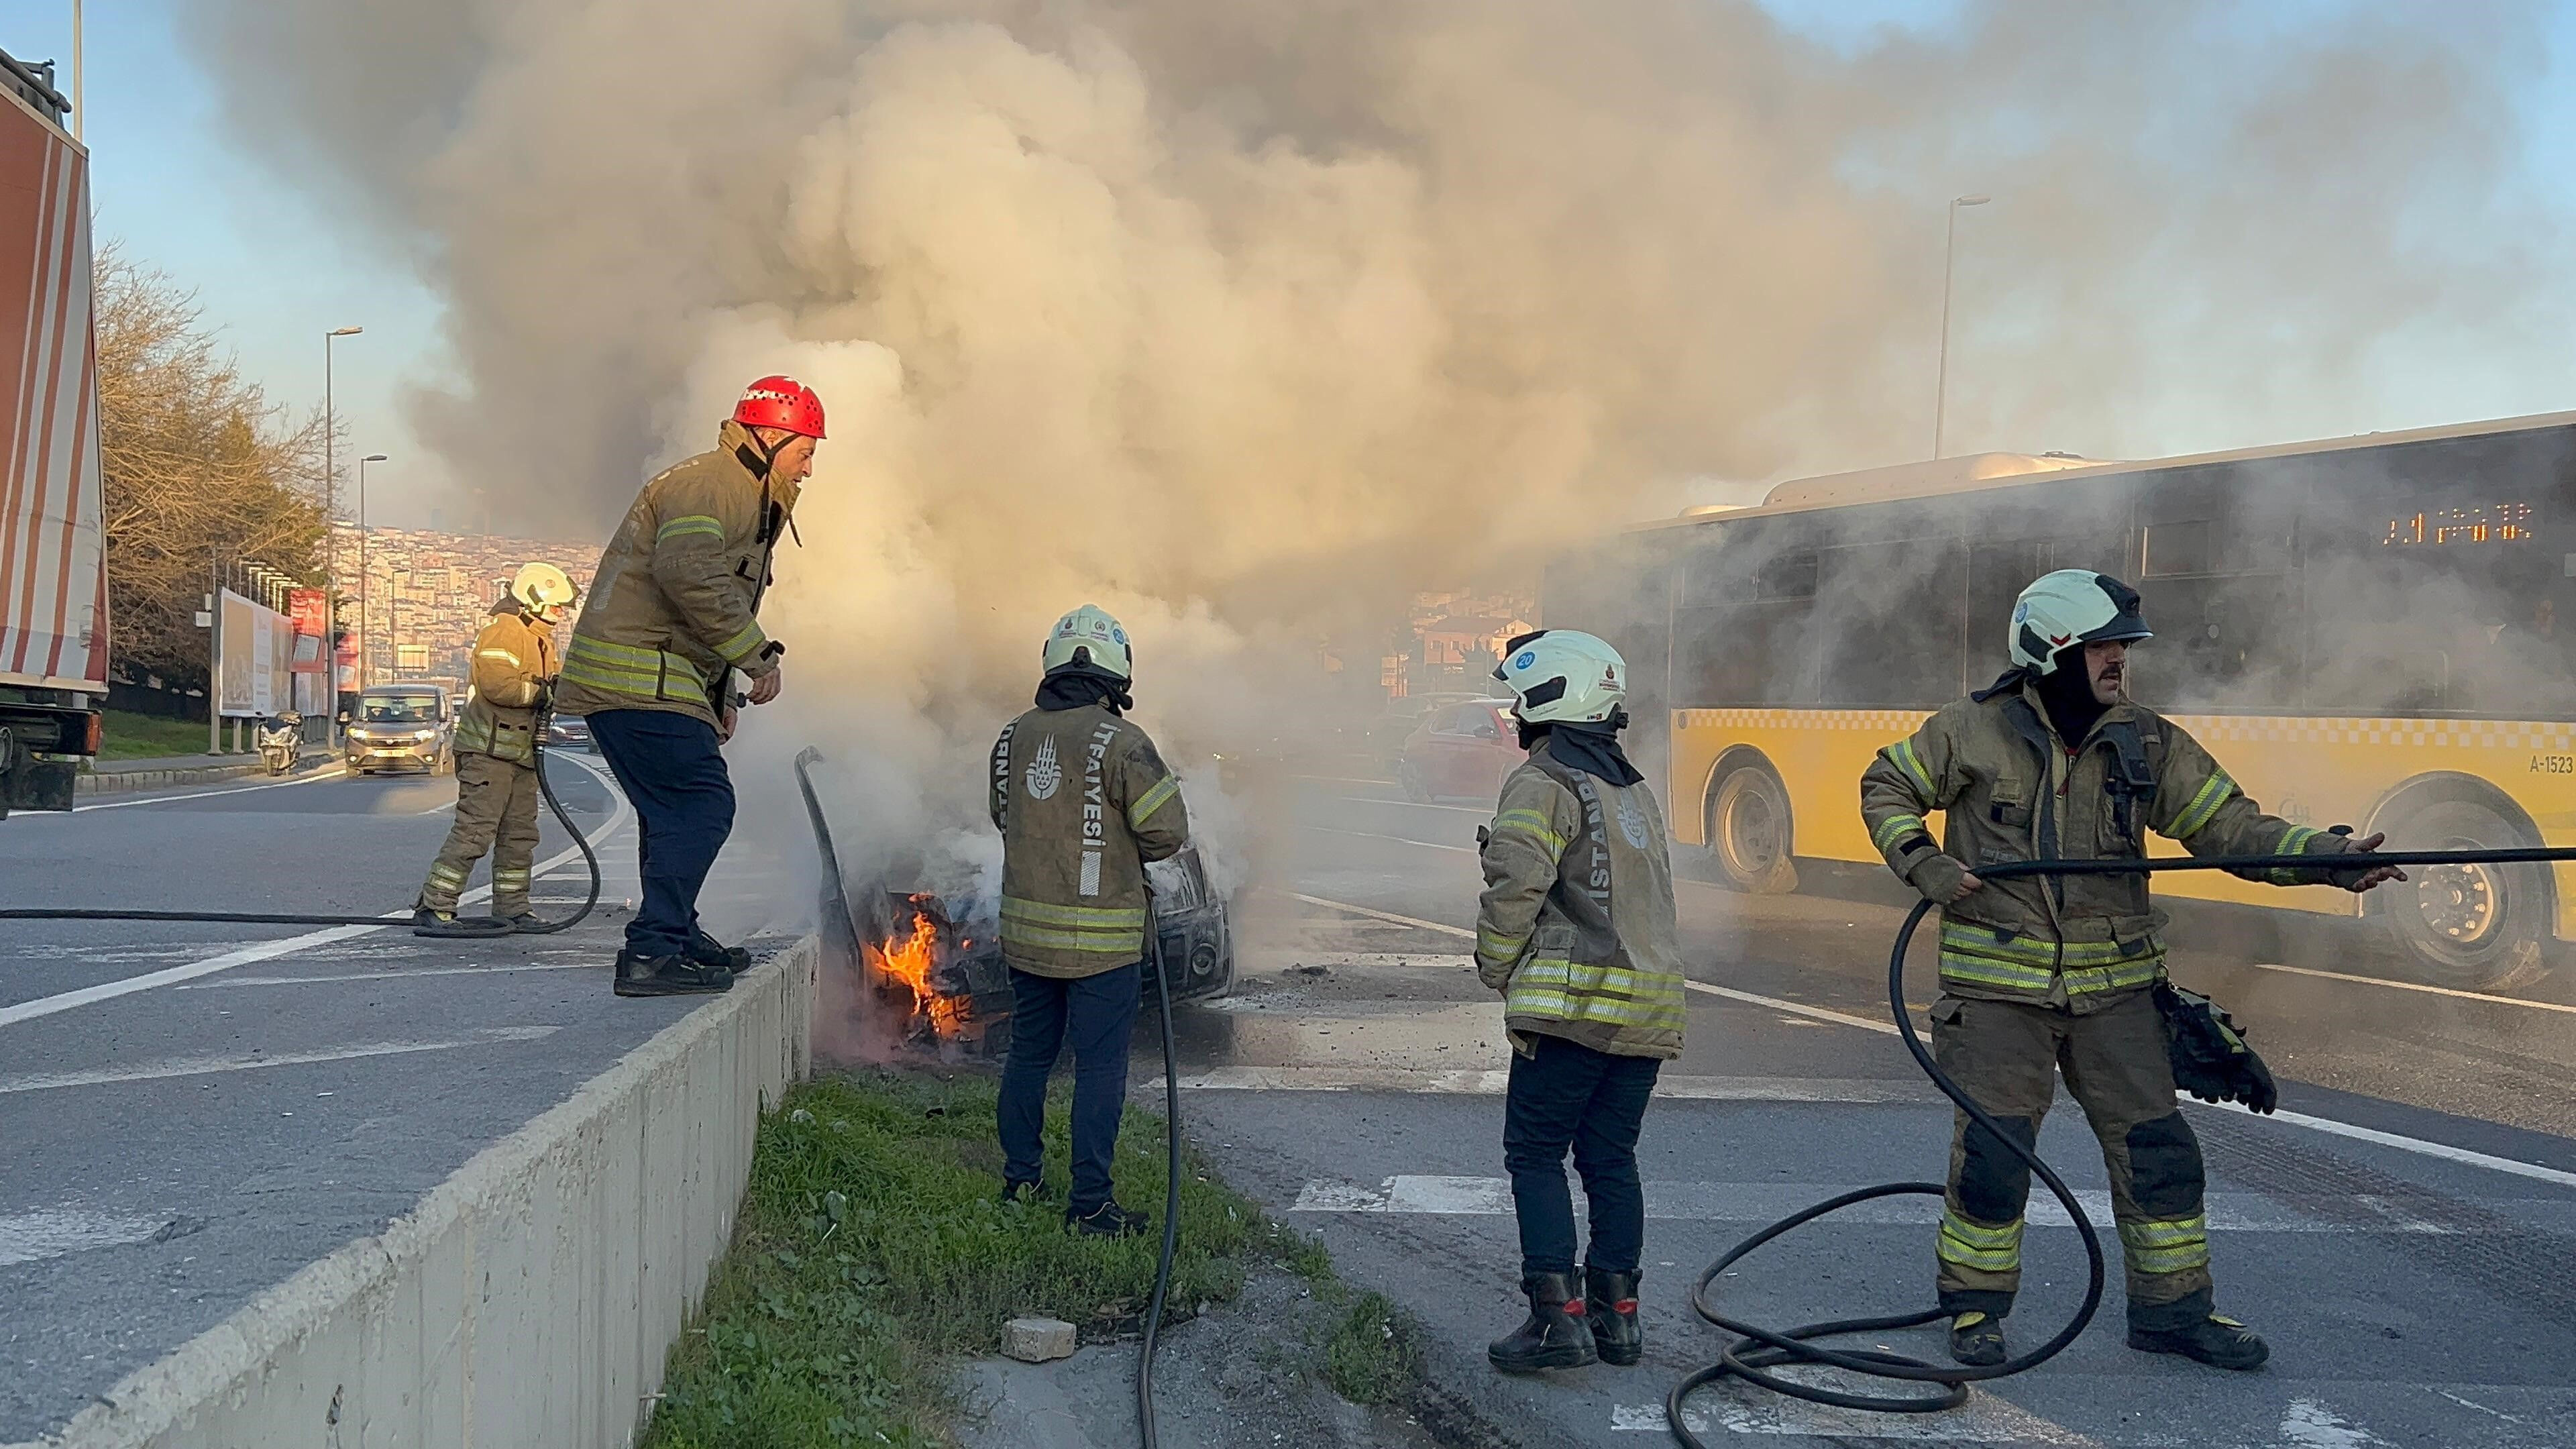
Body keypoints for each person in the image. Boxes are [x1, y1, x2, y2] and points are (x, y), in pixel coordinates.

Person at [1859, 570, 2402, 1372]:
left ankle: (2173, 1313)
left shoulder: (2148, 740)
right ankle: (1975, 1308)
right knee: (1996, 1157)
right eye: (2105, 645)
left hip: (2116, 993)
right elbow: (1887, 784)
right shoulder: (1968, 731)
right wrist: (1922, 861)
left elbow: (2228, 827)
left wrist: (2326, 861)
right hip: (1998, 994)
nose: (2121, 659)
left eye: (2124, 645)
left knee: (2160, 1153)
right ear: (2052, 650)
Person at [554, 375, 823, 996]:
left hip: (661, 679)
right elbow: (691, 576)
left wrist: (719, 695)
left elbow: (708, 597)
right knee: (702, 805)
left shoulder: (747, 493)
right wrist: (756, 658)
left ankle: (673, 934)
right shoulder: (710, 485)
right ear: (772, 436)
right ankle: (652, 951)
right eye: (806, 451)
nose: (810, 469)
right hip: (639, 679)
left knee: (669, 811)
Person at [1474, 629, 1684, 1374]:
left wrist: (1497, 970)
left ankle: (1556, 1323)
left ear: (1548, 697)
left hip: (1573, 1014)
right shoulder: (1633, 789)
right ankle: (1617, 1321)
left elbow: (1516, 889)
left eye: (1519, 698)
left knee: (1534, 1155)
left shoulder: (1544, 781)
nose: (1514, 713)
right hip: (1647, 1016)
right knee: (1610, 1160)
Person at [988, 605, 1190, 1238]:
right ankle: (1091, 1203)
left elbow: (1004, 816)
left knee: (1028, 1056)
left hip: (1026, 940)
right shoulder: (1123, 742)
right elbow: (1167, 831)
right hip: (1103, 945)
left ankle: (1021, 1180)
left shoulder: (1011, 737)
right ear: (1116, 671)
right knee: (1100, 1069)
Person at [414, 563, 578, 936]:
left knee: (519, 835)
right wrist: (544, 692)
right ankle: (435, 905)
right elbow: (498, 686)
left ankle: (513, 908)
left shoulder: (541, 639)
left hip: (518, 755)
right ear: (532, 598)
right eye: (555, 606)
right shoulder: (504, 631)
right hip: (489, 754)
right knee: (475, 831)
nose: (560, 613)